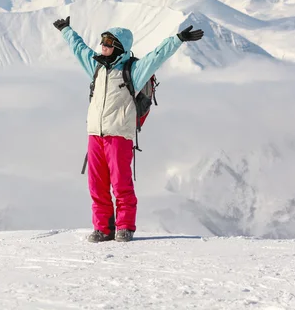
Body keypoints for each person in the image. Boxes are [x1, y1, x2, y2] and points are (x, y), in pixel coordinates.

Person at [53, 16, 204, 243]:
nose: (102, 46)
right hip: (95, 134)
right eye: (103, 41)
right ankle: (103, 228)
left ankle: (124, 227)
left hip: (119, 136)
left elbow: (156, 57)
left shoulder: (133, 71)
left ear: (118, 47)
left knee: (120, 183)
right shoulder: (96, 66)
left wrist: (178, 39)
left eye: (108, 42)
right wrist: (66, 29)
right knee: (96, 184)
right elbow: (78, 48)